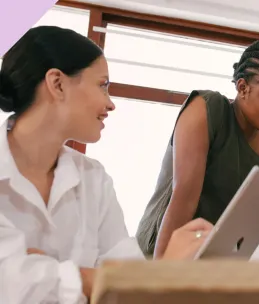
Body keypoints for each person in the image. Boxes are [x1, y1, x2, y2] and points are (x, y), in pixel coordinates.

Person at [0, 26, 213, 304]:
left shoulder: (94, 178)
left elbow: (127, 286)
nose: (110, 103)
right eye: (103, 85)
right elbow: (13, 285)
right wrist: (94, 280)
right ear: (57, 83)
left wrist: (47, 270)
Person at [136, 40, 259, 259]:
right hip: (161, 252)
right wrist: (161, 276)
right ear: (243, 88)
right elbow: (184, 198)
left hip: (213, 259)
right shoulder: (206, 108)